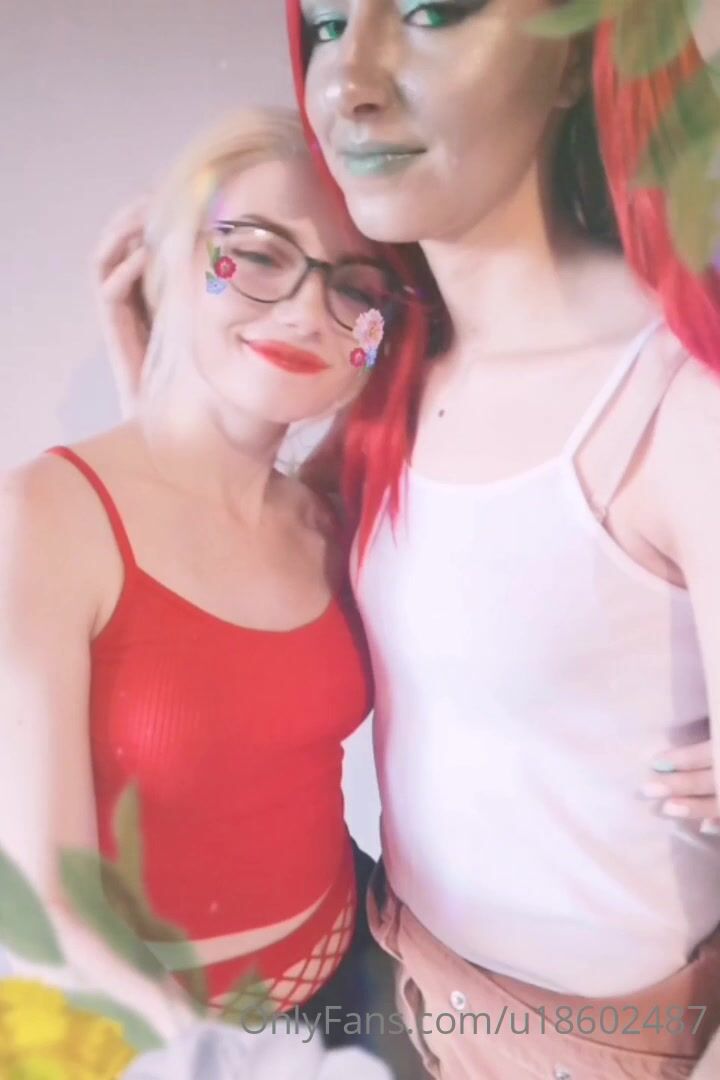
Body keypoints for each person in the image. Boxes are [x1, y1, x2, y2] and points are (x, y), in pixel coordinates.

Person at [98, 3, 720, 1077]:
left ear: (569, 57)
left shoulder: (677, 403)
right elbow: (236, 584)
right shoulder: (390, 377)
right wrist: (169, 391)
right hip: (384, 970)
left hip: (581, 1046)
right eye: (328, 25)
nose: (350, 80)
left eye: (433, 10)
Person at [0, 105, 411, 1050]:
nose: (304, 311)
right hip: (151, 1041)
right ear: (170, 258)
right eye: (256, 255)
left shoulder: (325, 519)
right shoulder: (41, 519)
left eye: (354, 287)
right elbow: (46, 911)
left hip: (362, 974)